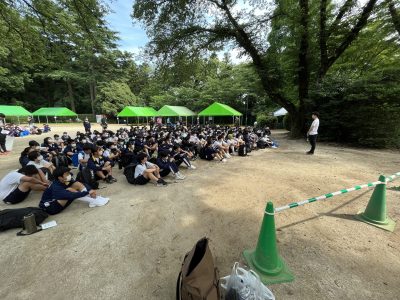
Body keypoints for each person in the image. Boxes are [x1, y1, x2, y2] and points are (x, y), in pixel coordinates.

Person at [39, 167, 109, 215]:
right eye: (66, 174)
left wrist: (90, 190)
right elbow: (70, 195)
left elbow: (81, 184)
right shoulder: (55, 186)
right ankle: (93, 201)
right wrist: (87, 192)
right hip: (51, 207)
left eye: (68, 173)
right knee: (70, 191)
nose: (69, 175)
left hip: (61, 198)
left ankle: (93, 199)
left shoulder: (65, 179)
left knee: (76, 184)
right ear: (60, 177)